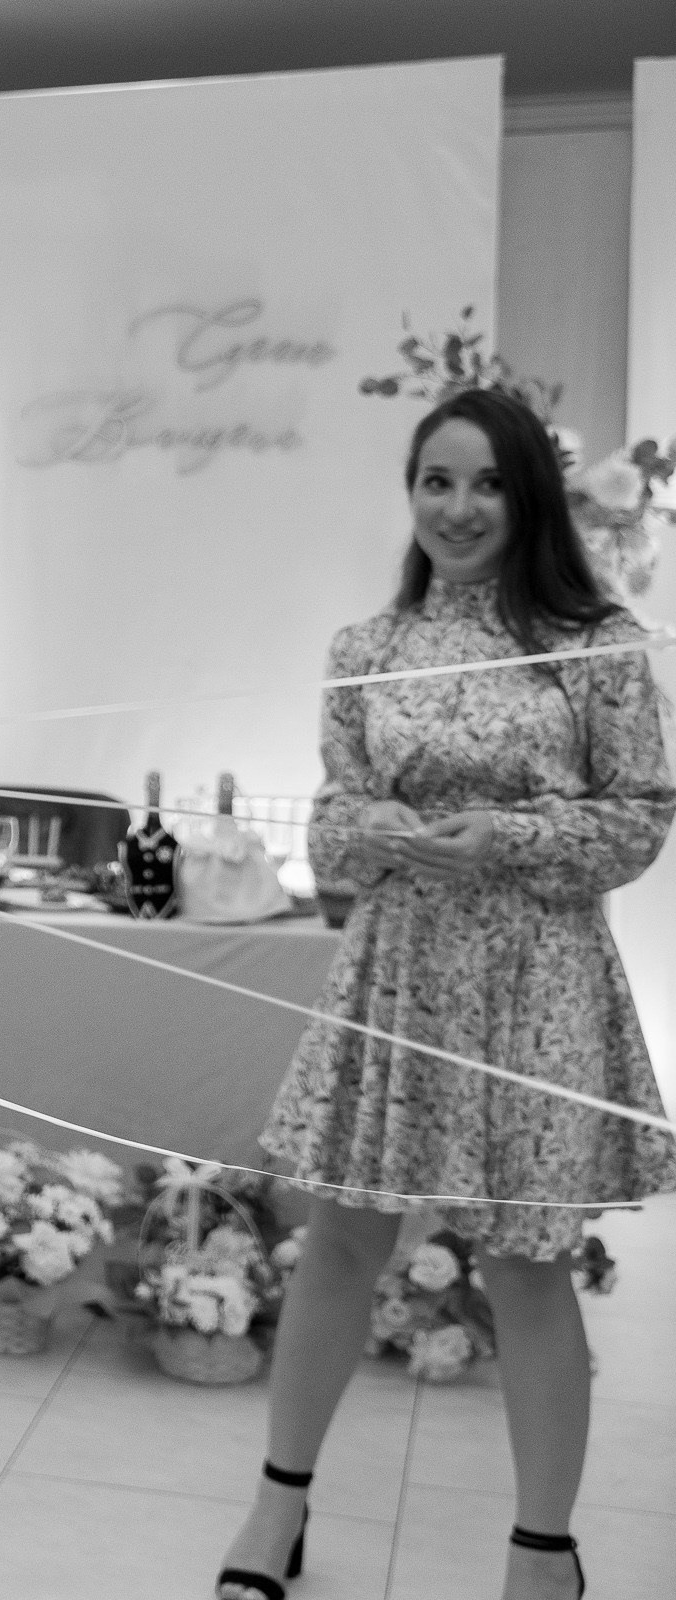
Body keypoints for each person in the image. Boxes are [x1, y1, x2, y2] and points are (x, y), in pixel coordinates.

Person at [215, 388, 676, 1600]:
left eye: (486, 483)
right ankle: (277, 1510)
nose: (458, 508)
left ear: (528, 497)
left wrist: (510, 837)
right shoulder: (366, 650)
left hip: (537, 982)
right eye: (435, 480)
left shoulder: (598, 644)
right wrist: (386, 830)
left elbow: (638, 824)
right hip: (400, 970)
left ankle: (544, 1557)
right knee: (340, 1247)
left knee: (526, 1265)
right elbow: (330, 823)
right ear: (408, 492)